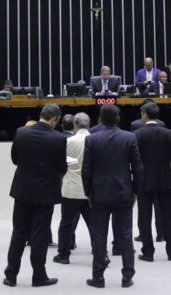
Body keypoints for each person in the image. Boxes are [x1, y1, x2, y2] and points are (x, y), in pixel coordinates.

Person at [4, 105, 67, 288]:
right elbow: (61, 168)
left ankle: (11, 275)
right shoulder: (58, 138)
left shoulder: (21, 132)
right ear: (55, 119)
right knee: (40, 236)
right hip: (45, 193)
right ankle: (39, 275)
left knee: (19, 232)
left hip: (22, 190)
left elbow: (15, 160)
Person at [82, 105, 143, 288]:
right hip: (124, 192)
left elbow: (86, 170)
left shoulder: (91, 139)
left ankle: (98, 277)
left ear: (100, 118)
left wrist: (88, 192)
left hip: (99, 193)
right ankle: (127, 277)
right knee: (125, 234)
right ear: (118, 118)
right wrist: (136, 192)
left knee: (99, 235)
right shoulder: (129, 137)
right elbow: (138, 168)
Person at [134, 101, 171, 262]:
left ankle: (148, 252)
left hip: (144, 180)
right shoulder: (168, 133)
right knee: (168, 214)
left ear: (145, 114)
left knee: (144, 216)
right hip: (164, 178)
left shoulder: (137, 134)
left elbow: (134, 159)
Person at [54, 112, 96, 264]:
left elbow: (62, 163)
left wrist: (74, 165)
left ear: (75, 125)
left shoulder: (69, 141)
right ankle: (100, 253)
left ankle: (63, 255)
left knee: (66, 222)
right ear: (89, 124)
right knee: (94, 224)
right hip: (91, 189)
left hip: (71, 188)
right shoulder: (95, 140)